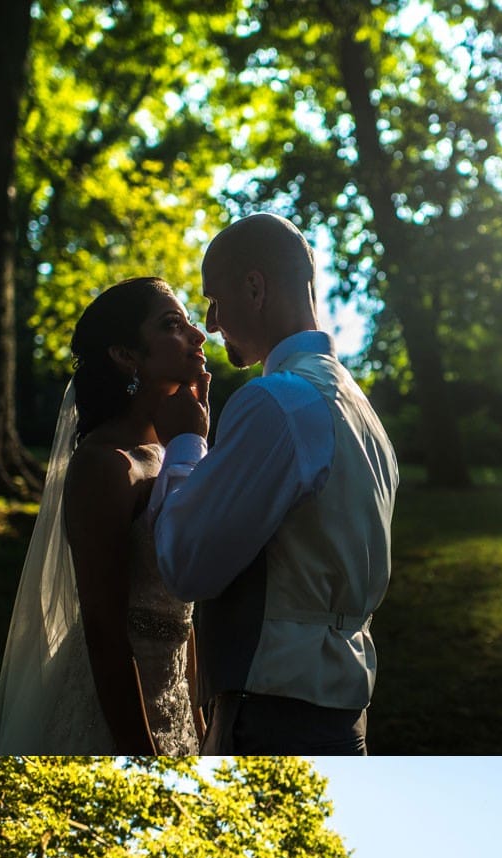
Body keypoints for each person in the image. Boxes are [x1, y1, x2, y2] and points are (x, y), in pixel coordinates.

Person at [149, 212, 399, 756]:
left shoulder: (278, 403)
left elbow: (186, 563)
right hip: (342, 707)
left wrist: (187, 443)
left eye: (214, 301)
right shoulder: (360, 410)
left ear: (255, 287)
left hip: (272, 707)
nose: (210, 324)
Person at [0, 277, 208, 755]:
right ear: (126, 355)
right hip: (113, 716)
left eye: (190, 322)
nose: (198, 335)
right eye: (173, 324)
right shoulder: (106, 464)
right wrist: (142, 753)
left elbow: (185, 611)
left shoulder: (174, 450)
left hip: (176, 706)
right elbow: (105, 632)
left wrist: (196, 715)